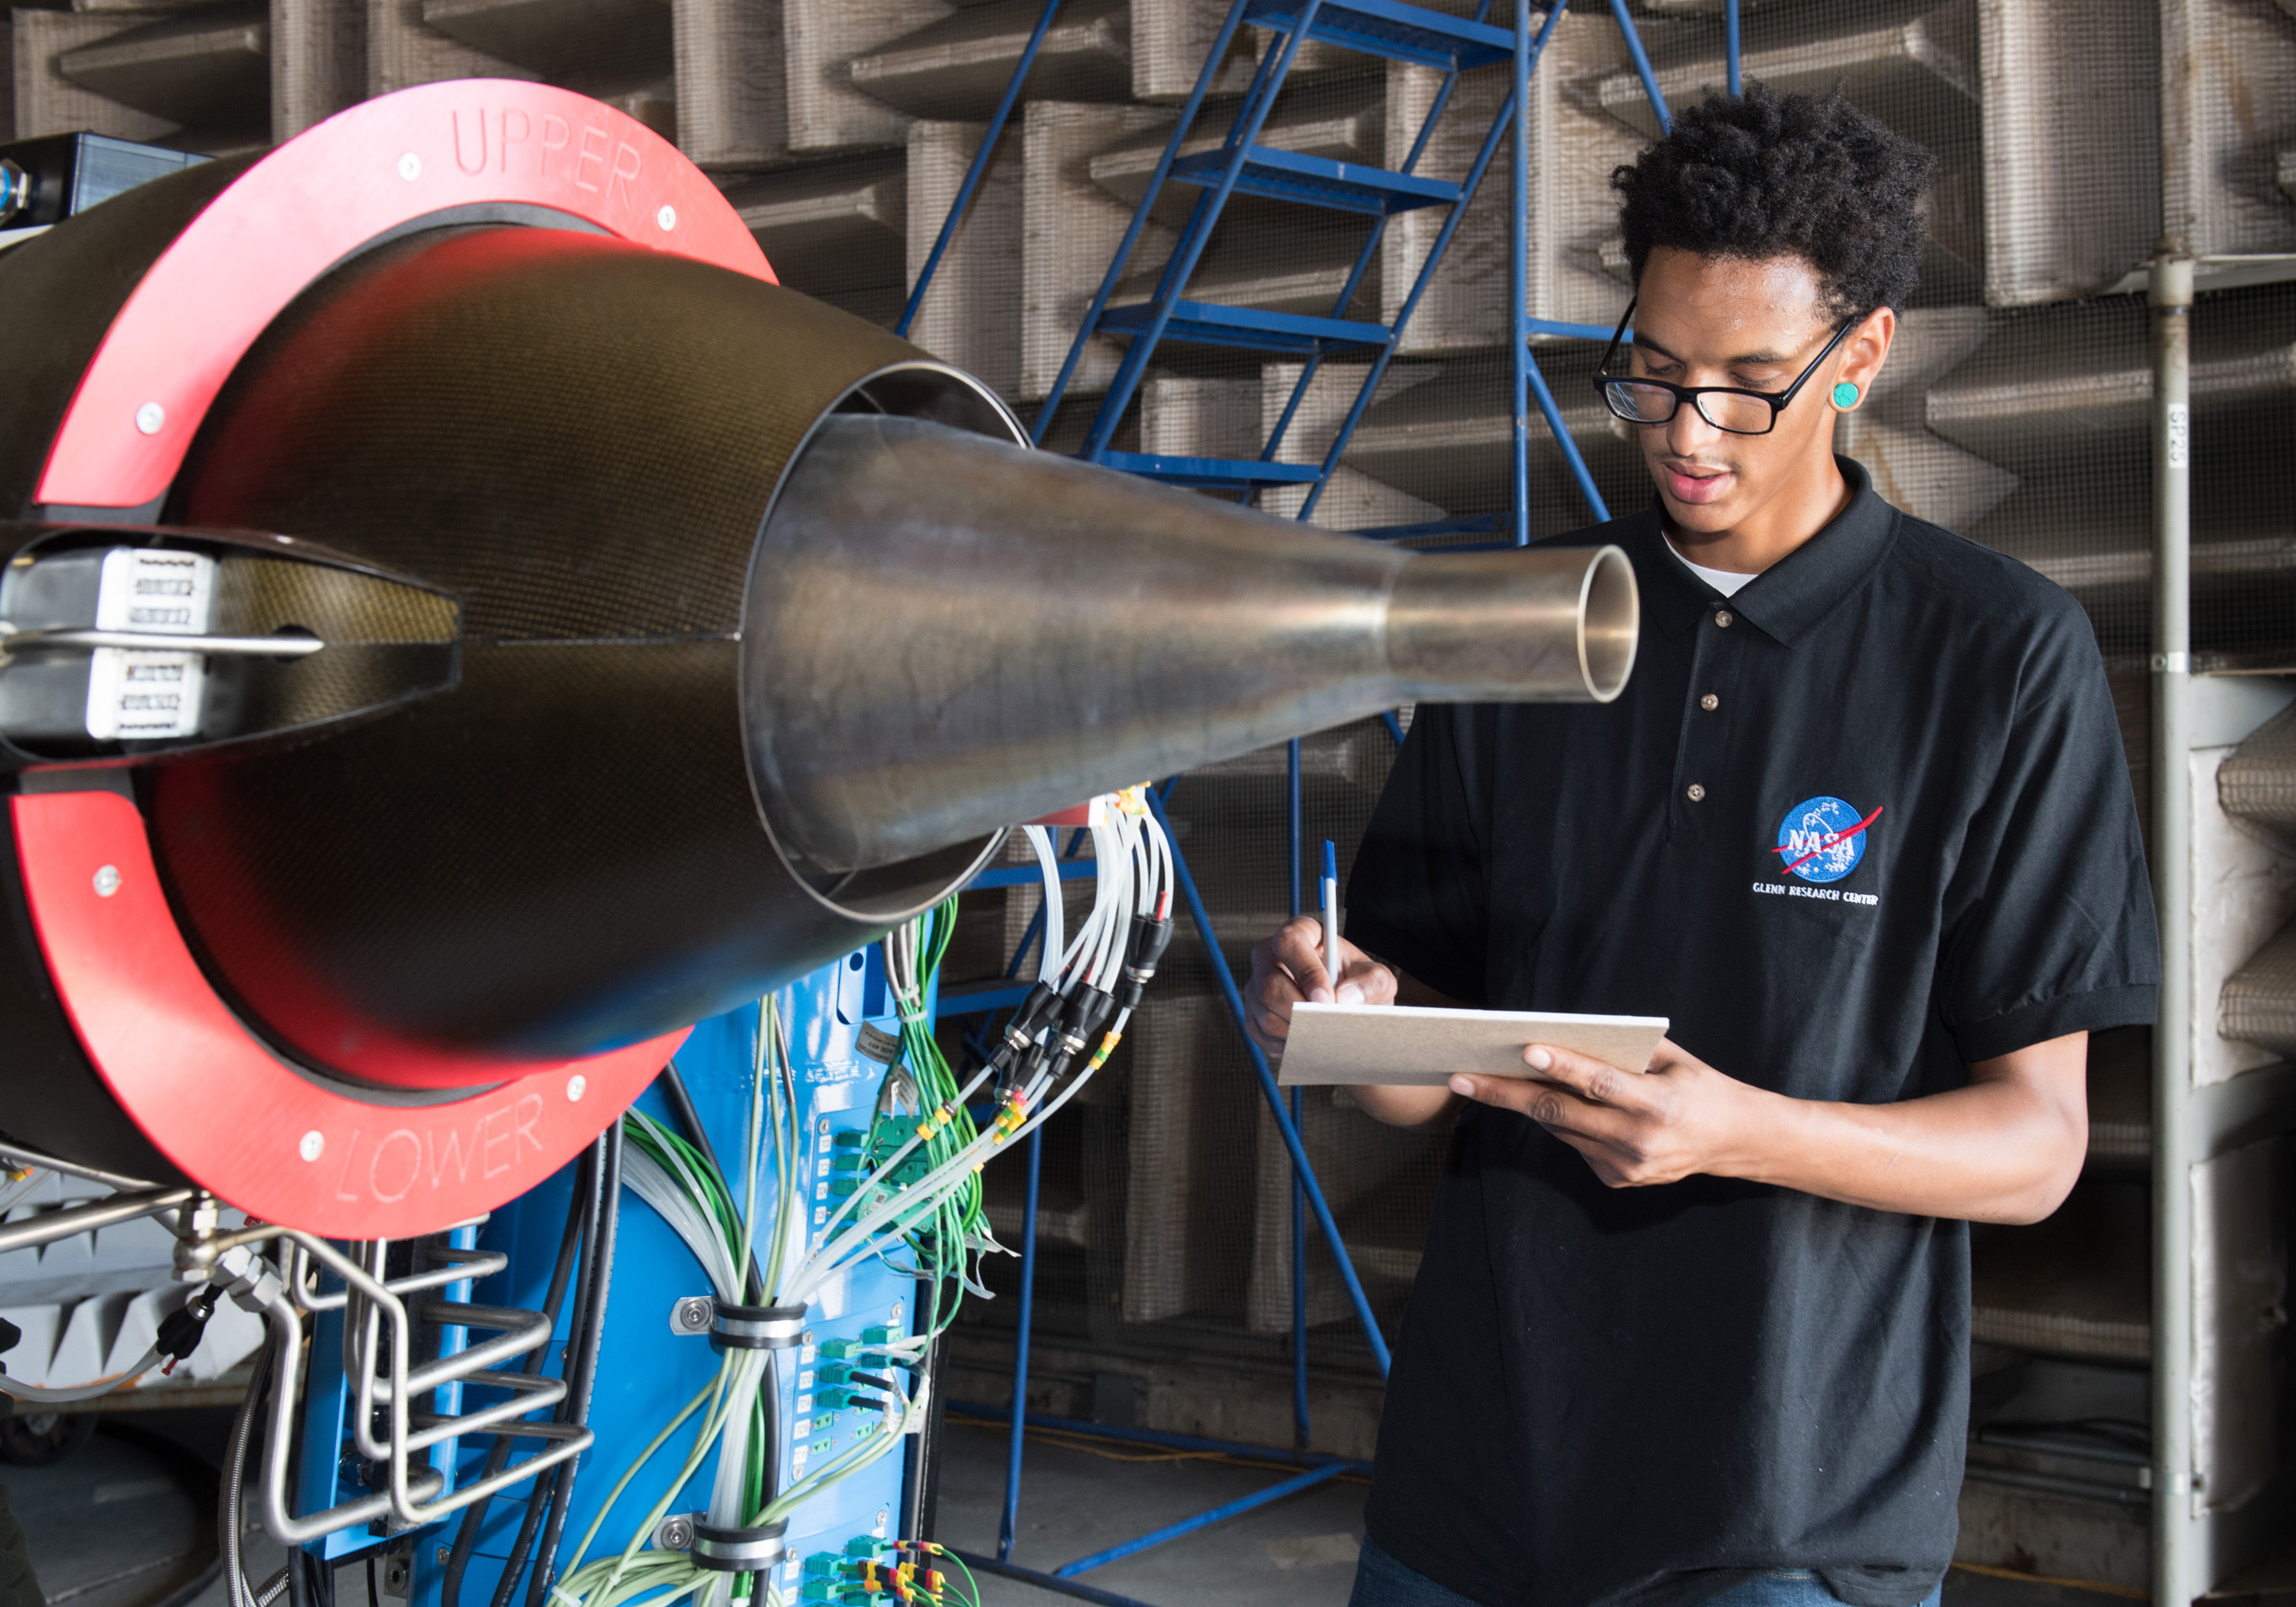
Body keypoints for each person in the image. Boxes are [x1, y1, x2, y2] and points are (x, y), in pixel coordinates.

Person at [1244, 83, 2157, 1607]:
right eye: (1654, 374)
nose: (1687, 434)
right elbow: (1414, 1078)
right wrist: (1340, 1022)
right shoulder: (1522, 620)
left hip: (1787, 1512)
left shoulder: (1998, 655)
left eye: (1748, 385)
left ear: (1862, 355)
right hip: (1474, 1485)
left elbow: (2036, 1151)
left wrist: (1737, 1130)